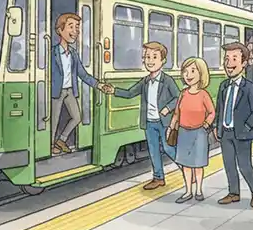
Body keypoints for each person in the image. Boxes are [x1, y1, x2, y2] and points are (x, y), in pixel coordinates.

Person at [102, 42, 179, 190]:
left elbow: (178, 97)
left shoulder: (167, 80)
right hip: (149, 122)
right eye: (146, 57)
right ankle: (158, 178)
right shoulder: (145, 81)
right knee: (153, 150)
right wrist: (113, 91)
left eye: (154, 57)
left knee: (169, 149)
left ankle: (187, 169)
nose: (149, 61)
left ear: (163, 61)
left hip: (164, 122)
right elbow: (130, 93)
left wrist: (167, 109)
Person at [50, 13, 111, 155]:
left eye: (77, 27)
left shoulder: (73, 53)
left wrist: (99, 85)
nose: (75, 31)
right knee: (53, 121)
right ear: (60, 30)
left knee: (77, 117)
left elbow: (82, 74)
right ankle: (52, 145)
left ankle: (61, 140)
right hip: (56, 91)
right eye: (71, 27)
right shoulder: (52, 52)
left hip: (70, 90)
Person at [214, 42, 253, 208]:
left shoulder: (249, 87)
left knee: (244, 165)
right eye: (227, 59)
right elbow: (219, 108)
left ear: (243, 63)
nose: (229, 63)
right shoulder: (223, 86)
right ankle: (233, 193)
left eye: (234, 58)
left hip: (242, 134)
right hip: (226, 132)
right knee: (229, 164)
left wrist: (247, 127)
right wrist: (217, 127)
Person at [169, 56, 215, 203]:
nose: (188, 75)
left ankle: (199, 190)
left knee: (198, 164)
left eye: (193, 71)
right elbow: (177, 112)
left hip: (199, 133)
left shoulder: (203, 95)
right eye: (186, 71)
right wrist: (171, 126)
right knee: (186, 164)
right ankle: (188, 191)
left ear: (201, 74)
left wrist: (206, 125)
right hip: (183, 132)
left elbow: (212, 112)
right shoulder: (183, 94)